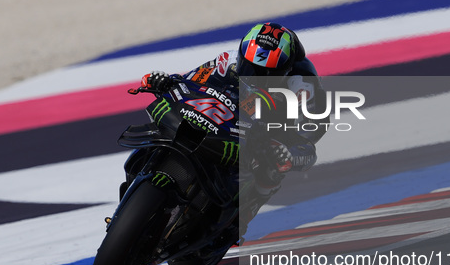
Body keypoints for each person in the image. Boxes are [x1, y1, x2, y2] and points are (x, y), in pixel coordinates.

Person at [140, 22, 327, 235]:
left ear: (286, 70)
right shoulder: (227, 60)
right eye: (249, 67)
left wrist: (288, 150)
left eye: (266, 73)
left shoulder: (302, 86)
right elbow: (190, 80)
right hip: (228, 111)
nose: (254, 76)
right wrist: (165, 82)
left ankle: (245, 213)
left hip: (281, 122)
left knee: (276, 164)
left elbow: (309, 134)